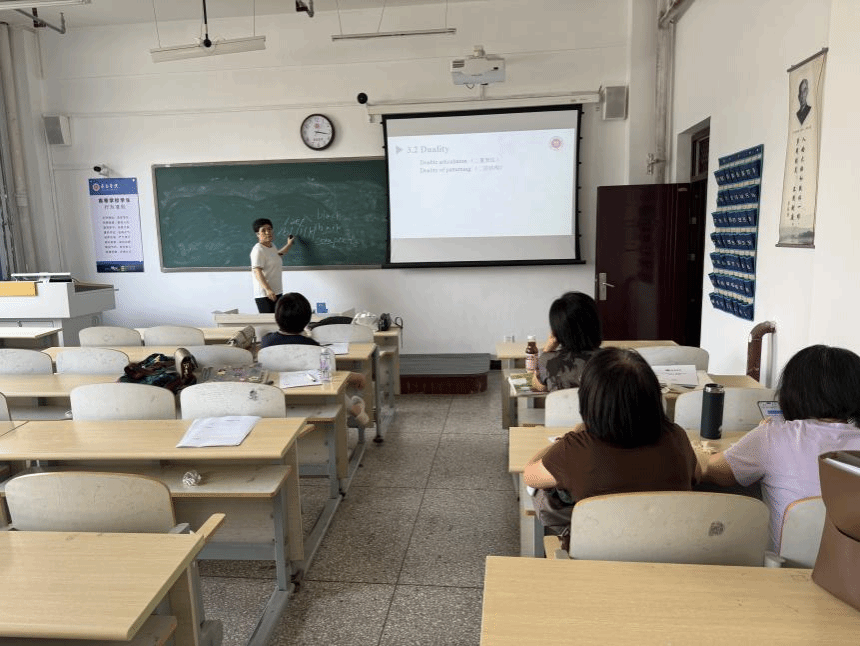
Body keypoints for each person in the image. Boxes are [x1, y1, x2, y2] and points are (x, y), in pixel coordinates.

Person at [524, 347, 699, 548]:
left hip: (596, 555)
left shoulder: (575, 449)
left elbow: (530, 475)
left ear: (590, 401)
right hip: (670, 552)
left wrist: (564, 440)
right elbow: (697, 474)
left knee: (544, 492)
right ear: (653, 396)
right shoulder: (677, 437)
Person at [701, 344, 860, 550]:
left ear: (793, 391)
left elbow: (714, 471)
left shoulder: (773, 435)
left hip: (785, 564)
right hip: (850, 565)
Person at [260, 292, 369, 428]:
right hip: (315, 401)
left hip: (276, 403)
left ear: (277, 317)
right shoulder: (313, 347)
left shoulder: (266, 342)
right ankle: (354, 409)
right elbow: (331, 375)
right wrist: (355, 376)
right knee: (335, 383)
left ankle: (354, 408)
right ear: (307, 319)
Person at [533, 291, 602, 392]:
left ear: (557, 331)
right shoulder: (613, 360)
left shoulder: (547, 361)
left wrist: (547, 349)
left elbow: (538, 386)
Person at [251, 218, 294, 314]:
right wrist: (268, 290)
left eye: (269, 229)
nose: (267, 232)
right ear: (257, 234)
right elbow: (257, 271)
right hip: (265, 294)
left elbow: (278, 255)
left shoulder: (272, 246)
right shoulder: (258, 250)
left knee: (279, 319)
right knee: (269, 321)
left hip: (276, 291)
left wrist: (289, 245)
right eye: (263, 230)